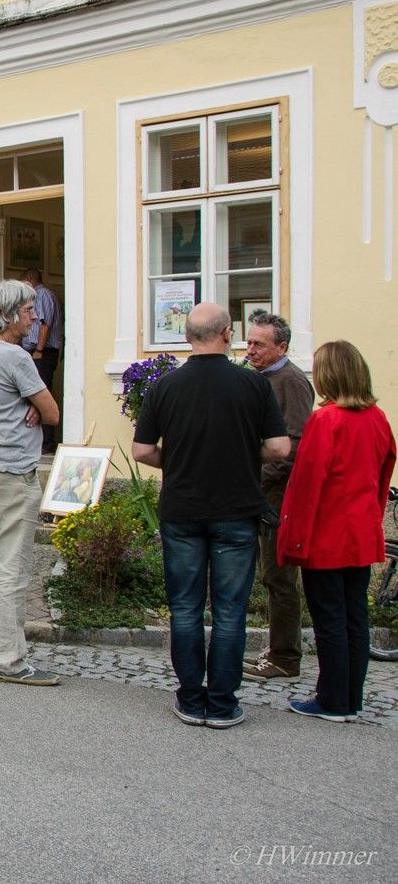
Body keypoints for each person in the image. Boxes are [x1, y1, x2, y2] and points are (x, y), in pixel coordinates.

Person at [133, 302, 290, 729]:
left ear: (187, 337)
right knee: (230, 610)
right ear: (227, 335)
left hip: (182, 509)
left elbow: (142, 451)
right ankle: (221, 703)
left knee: (184, 609)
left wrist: (180, 457)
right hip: (236, 510)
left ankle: (189, 698)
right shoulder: (252, 385)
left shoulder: (164, 386)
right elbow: (279, 448)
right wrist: (241, 452)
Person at [277, 341, 396, 721]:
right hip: (360, 532)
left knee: (329, 618)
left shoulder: (327, 421)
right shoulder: (377, 418)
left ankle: (331, 699)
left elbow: (306, 485)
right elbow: (382, 476)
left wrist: (293, 537)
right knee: (354, 618)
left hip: (327, 535)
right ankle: (350, 697)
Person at [0, 280, 60, 685]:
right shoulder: (16, 358)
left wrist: (32, 406)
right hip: (12, 468)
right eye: (27, 310)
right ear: (8, 316)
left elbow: (27, 405)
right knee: (13, 569)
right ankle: (11, 659)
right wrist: (35, 407)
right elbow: (53, 411)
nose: (34, 316)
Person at [240, 310, 314, 683]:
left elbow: (295, 444)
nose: (249, 349)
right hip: (261, 491)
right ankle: (278, 648)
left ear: (281, 346)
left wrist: (260, 479)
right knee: (269, 574)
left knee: (279, 575)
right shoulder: (262, 377)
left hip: (278, 495)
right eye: (248, 341)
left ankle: (286, 656)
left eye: (258, 344)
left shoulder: (290, 381)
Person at [19, 268, 62, 453]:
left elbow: (44, 325)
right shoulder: (39, 295)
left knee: (41, 393)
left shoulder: (42, 295)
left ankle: (46, 443)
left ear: (29, 279)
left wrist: (38, 350)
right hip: (35, 352)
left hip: (42, 353)